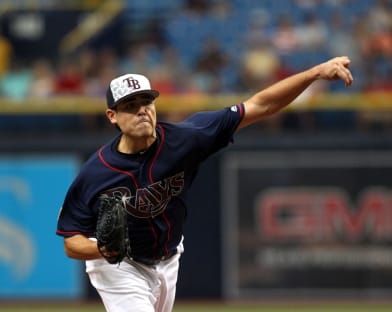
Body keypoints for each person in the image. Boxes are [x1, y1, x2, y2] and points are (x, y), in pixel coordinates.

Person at [56, 56, 353, 312]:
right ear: (113, 116)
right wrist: (102, 251)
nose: (142, 110)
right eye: (130, 105)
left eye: (146, 101)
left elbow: (260, 105)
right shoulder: (94, 174)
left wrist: (315, 72)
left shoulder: (187, 138)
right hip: (119, 265)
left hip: (168, 257)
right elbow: (72, 240)